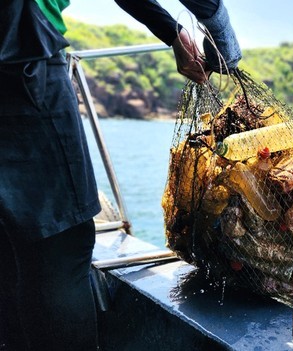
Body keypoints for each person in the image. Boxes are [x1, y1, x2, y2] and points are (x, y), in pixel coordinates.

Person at [0, 0, 241, 350]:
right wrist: (220, 31)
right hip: (18, 57)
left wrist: (171, 31)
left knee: (11, 234)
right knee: (60, 244)